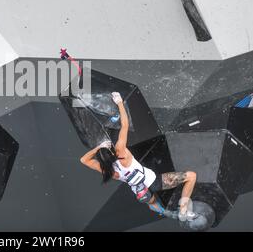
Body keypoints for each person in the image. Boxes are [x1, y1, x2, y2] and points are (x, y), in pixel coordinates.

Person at [80, 92, 197, 220]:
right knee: (191, 176)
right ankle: (183, 210)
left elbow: (84, 160)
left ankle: (164, 212)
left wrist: (98, 148)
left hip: (141, 194)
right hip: (154, 182)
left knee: (152, 204)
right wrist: (119, 102)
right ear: (111, 151)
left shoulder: (107, 170)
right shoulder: (121, 152)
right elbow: (124, 125)